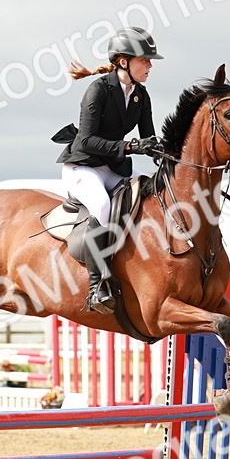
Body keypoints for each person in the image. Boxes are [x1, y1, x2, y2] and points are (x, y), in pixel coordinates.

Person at [52, 26, 163, 315]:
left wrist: (170, 156)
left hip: (113, 167)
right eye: (145, 60)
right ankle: (96, 287)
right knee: (101, 203)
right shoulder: (98, 89)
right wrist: (129, 147)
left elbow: (148, 139)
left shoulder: (141, 95)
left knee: (146, 191)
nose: (150, 66)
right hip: (83, 166)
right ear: (123, 61)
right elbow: (87, 140)